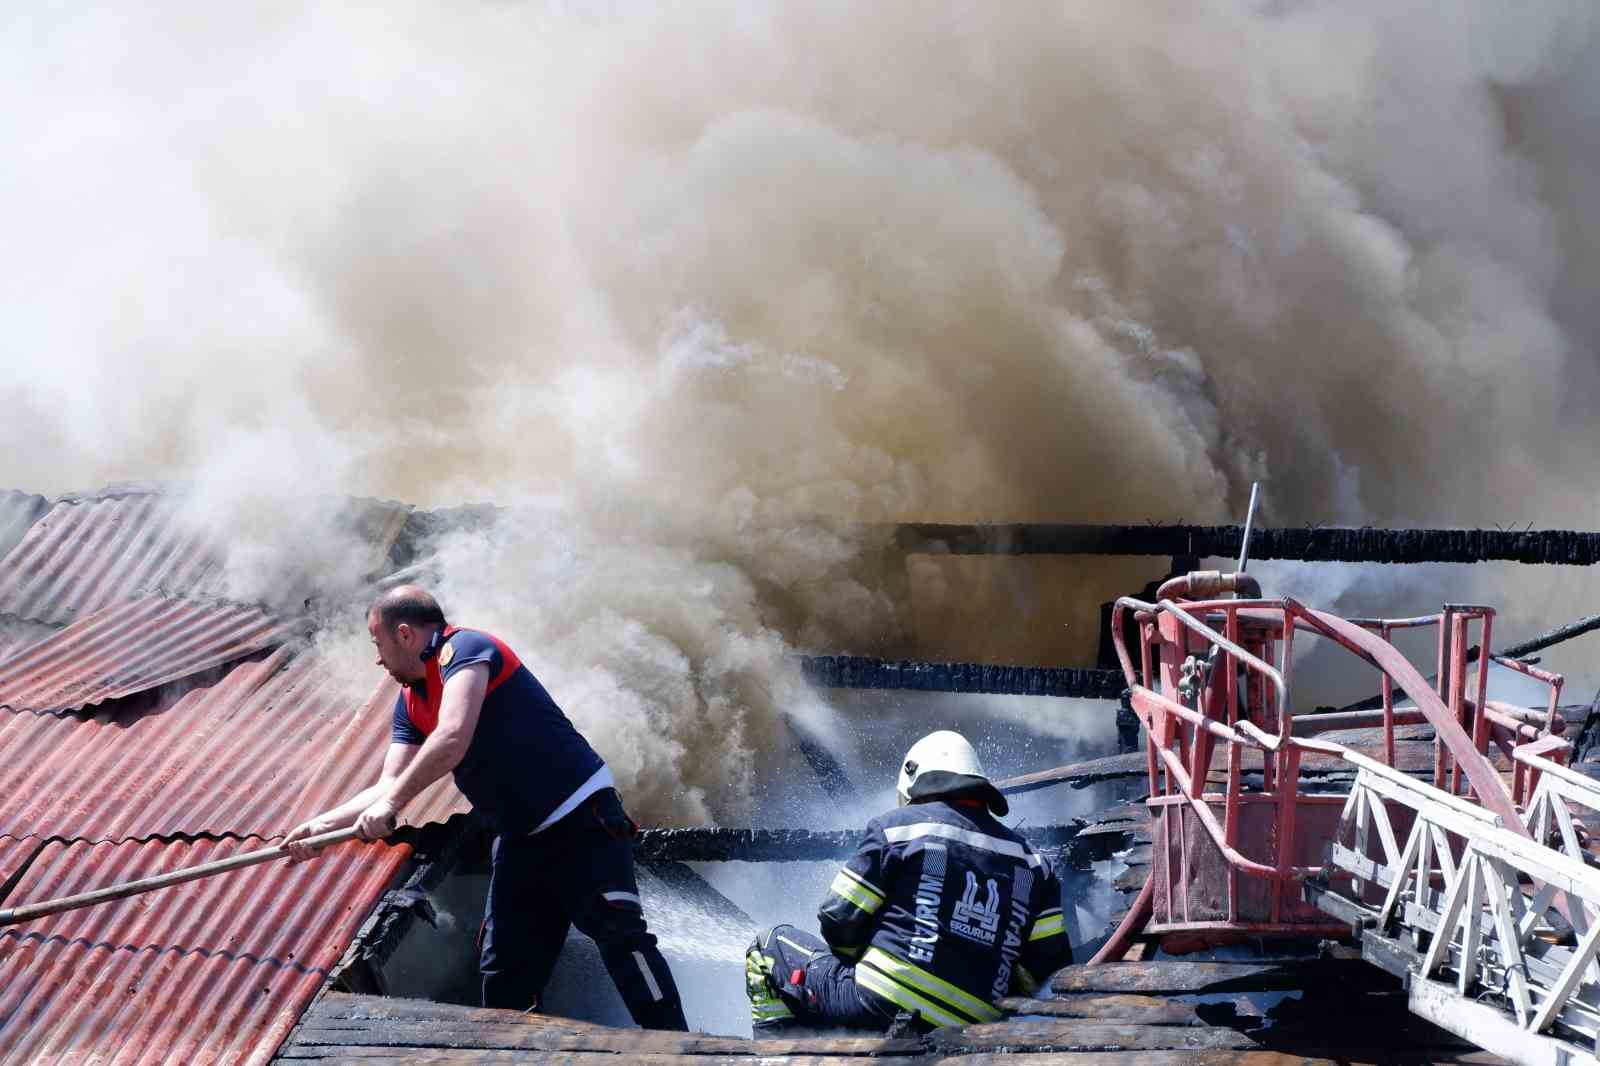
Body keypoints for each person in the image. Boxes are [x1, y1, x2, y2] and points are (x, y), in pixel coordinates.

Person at [284, 585, 688, 1031]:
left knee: (621, 940)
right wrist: (318, 828)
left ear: (404, 634)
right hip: (520, 841)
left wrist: (394, 804)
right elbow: (387, 785)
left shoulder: (467, 650)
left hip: (580, 820)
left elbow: (452, 736)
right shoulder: (410, 702)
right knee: (502, 975)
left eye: (376, 644)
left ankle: (684, 1050)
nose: (377, 658)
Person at [745, 730, 1072, 1034]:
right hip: (976, 1026)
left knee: (767, 948)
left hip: (879, 1004)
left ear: (914, 784)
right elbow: (1048, 969)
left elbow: (837, 919)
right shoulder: (1034, 864)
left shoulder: (899, 828)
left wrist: (862, 961)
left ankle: (782, 1054)